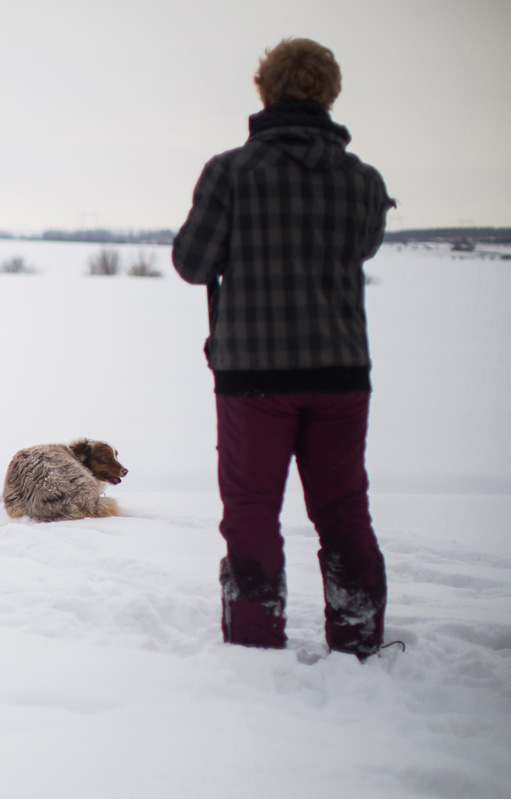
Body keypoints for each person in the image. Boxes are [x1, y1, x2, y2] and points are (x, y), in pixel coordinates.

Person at [172, 38, 396, 659]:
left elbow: (192, 263)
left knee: (250, 507)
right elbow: (366, 247)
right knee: (343, 506)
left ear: (265, 90)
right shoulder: (363, 181)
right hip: (341, 371)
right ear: (329, 94)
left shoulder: (230, 173)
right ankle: (358, 641)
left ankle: (253, 642)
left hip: (254, 375)